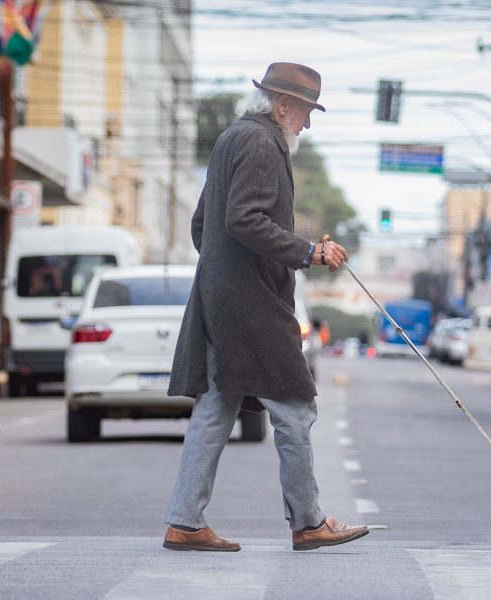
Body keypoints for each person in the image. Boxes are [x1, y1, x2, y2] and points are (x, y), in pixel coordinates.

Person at [162, 62, 368, 552]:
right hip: (252, 305)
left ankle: (184, 522)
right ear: (282, 106)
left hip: (227, 299)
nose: (307, 124)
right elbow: (242, 219)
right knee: (295, 407)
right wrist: (307, 252)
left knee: (215, 408)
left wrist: (223, 274)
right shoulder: (260, 142)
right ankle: (309, 521)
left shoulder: (233, 137)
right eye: (304, 113)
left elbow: (202, 226)